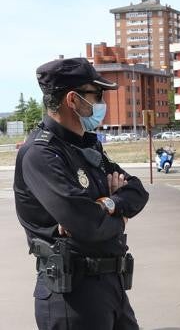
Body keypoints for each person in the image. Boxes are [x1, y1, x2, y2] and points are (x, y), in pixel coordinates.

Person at [14, 57, 149, 329]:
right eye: (96, 94)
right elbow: (87, 223)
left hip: (112, 286)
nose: (102, 103)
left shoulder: (88, 147)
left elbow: (137, 191)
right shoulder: (42, 154)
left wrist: (109, 202)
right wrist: (119, 217)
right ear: (73, 100)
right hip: (73, 296)